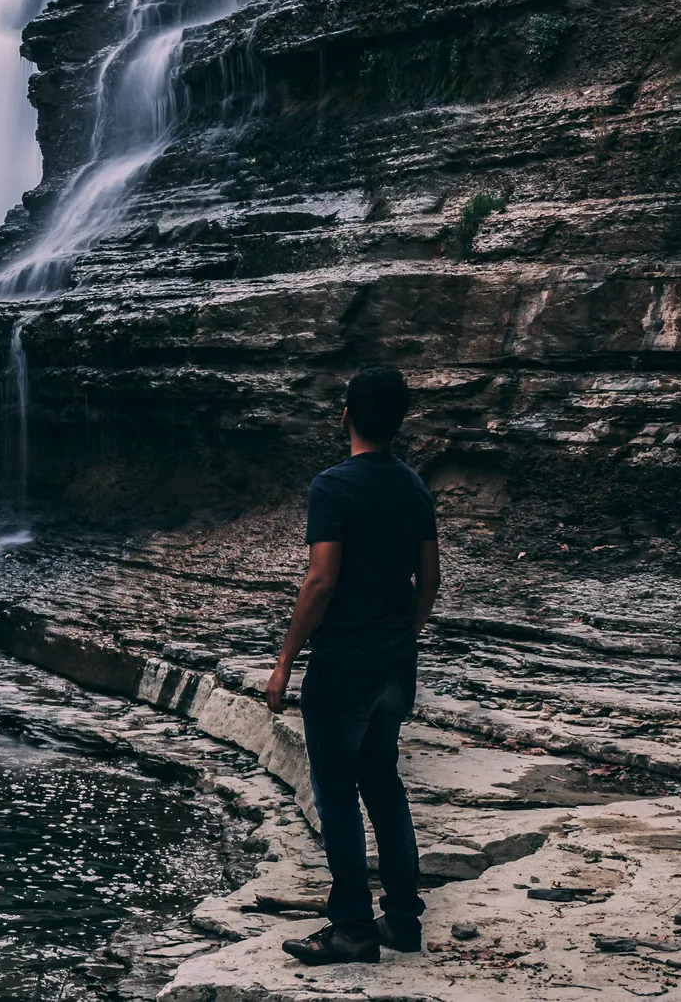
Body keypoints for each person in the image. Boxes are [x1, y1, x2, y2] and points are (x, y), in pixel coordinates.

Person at [264, 364, 440, 965]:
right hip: (394, 662)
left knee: (336, 792)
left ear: (346, 416)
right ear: (400, 420)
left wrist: (285, 660)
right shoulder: (415, 487)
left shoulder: (333, 486)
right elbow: (430, 580)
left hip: (342, 664)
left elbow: (320, 580)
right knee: (384, 786)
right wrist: (400, 637)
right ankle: (402, 921)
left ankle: (351, 929)